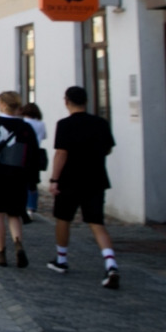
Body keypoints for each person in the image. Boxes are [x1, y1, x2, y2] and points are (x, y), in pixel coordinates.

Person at [47, 85, 119, 288]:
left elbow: (61, 153)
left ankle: (61, 259)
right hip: (96, 178)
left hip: (70, 179)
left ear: (66, 101)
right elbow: (108, 149)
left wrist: (54, 180)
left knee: (63, 218)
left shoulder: (64, 124)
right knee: (97, 222)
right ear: (86, 101)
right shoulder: (101, 123)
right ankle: (111, 264)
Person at [0, 91, 38, 268]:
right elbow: (33, 155)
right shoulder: (26, 128)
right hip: (18, 177)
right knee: (14, 214)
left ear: (2, 104)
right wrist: (32, 179)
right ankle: (18, 243)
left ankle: (1, 252)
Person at [22, 102, 48, 220]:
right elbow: (43, 137)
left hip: (24, 152)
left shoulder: (23, 123)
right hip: (36, 153)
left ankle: (22, 205)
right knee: (33, 182)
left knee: (22, 180)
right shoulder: (41, 124)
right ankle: (31, 207)